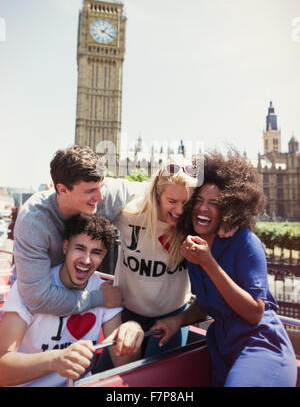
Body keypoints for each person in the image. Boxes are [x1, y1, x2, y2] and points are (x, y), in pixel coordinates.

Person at [151, 151, 298, 387]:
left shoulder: (245, 243)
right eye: (198, 200)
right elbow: (209, 301)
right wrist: (177, 321)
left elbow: (254, 313)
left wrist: (209, 263)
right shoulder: (194, 244)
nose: (202, 209)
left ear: (230, 208)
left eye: (214, 203)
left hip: (261, 347)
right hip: (223, 349)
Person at [99, 160, 235, 364]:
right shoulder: (130, 214)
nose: (179, 210)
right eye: (172, 201)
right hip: (127, 314)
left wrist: (232, 219)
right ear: (157, 195)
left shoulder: (193, 225)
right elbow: (92, 192)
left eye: (186, 203)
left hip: (171, 319)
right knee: (105, 378)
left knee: (159, 379)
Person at [0, 214, 144, 387]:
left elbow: (124, 363)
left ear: (104, 255)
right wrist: (54, 360)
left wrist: (130, 332)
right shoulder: (30, 287)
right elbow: (2, 368)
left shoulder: (103, 290)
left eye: (96, 252)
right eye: (80, 248)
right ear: (65, 246)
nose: (86, 260)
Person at [13, 145, 146, 316]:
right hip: (34, 313)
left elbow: (156, 190)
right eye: (90, 191)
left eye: (101, 186)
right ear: (62, 189)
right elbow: (38, 299)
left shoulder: (101, 194)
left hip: (77, 299)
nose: (100, 197)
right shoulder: (34, 220)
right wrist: (98, 298)